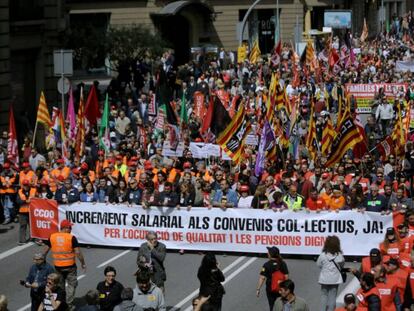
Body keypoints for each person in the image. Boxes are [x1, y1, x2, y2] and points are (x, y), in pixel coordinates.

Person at [43, 219, 86, 310]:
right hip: (70, 267)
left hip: (58, 267)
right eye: (70, 227)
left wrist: (43, 259)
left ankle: (60, 304)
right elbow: (77, 252)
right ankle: (69, 305)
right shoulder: (71, 238)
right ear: (65, 228)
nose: (71, 229)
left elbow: (45, 250)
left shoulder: (52, 237)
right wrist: (83, 263)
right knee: (71, 286)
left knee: (60, 286)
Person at [316, 235, 345, 311]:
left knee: (324, 296)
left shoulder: (322, 255)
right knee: (332, 297)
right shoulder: (339, 256)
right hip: (335, 279)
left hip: (324, 279)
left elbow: (318, 265)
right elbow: (342, 265)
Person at [256, 246, 289, 311]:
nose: (267, 253)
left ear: (270, 254)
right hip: (281, 289)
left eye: (268, 252)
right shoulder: (282, 263)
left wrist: (258, 289)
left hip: (270, 289)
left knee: (272, 306)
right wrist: (287, 288)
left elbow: (262, 278)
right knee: (283, 304)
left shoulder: (266, 265)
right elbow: (286, 277)